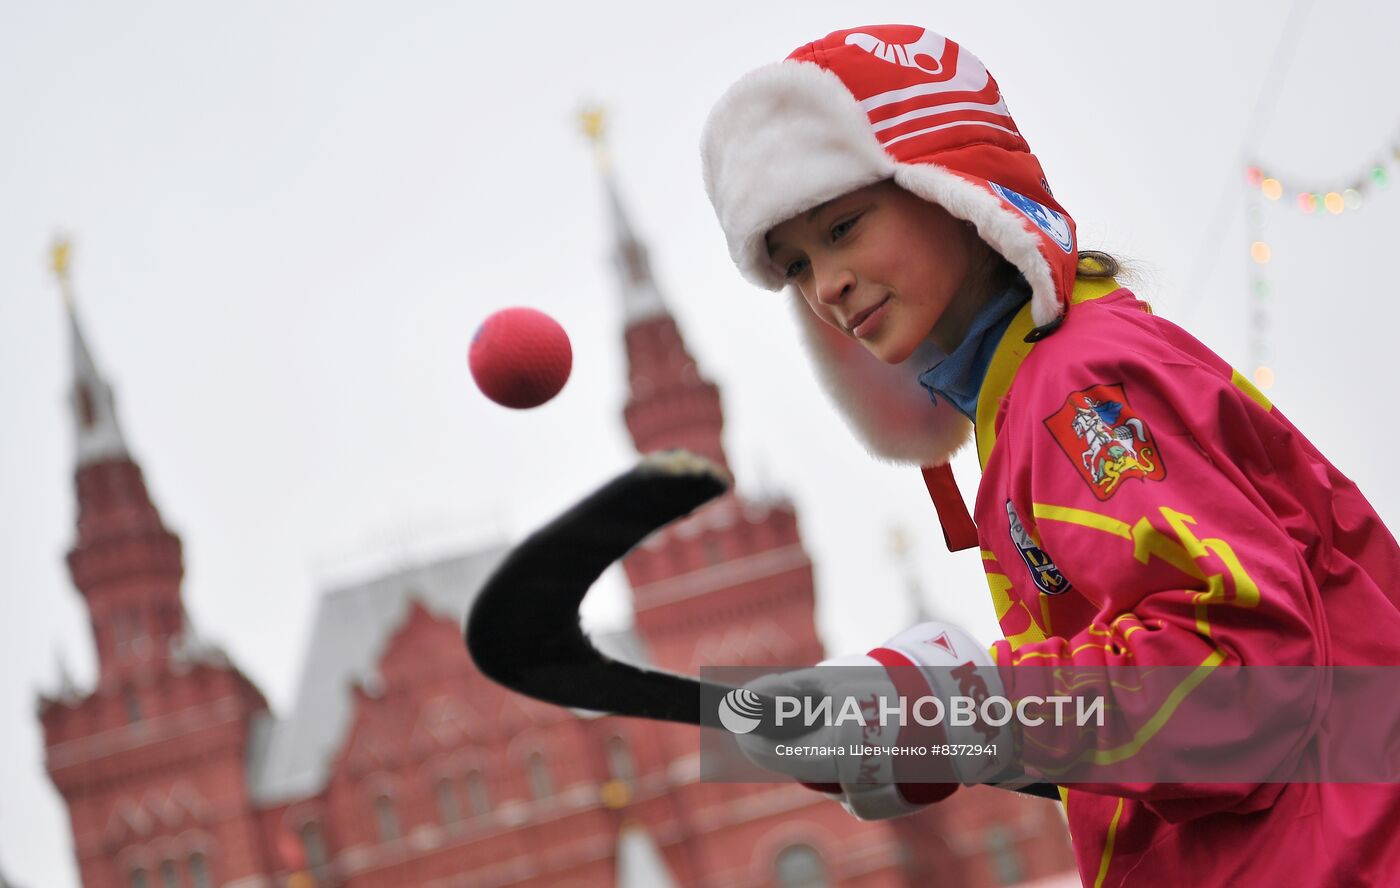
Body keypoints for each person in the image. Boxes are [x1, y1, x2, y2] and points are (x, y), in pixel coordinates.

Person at [699, 23, 1400, 886]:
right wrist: (962, 740)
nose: (827, 284)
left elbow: (1244, 686)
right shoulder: (1033, 396)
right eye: (797, 266)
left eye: (843, 226)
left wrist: (966, 710)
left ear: (950, 190)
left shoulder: (1074, 391)